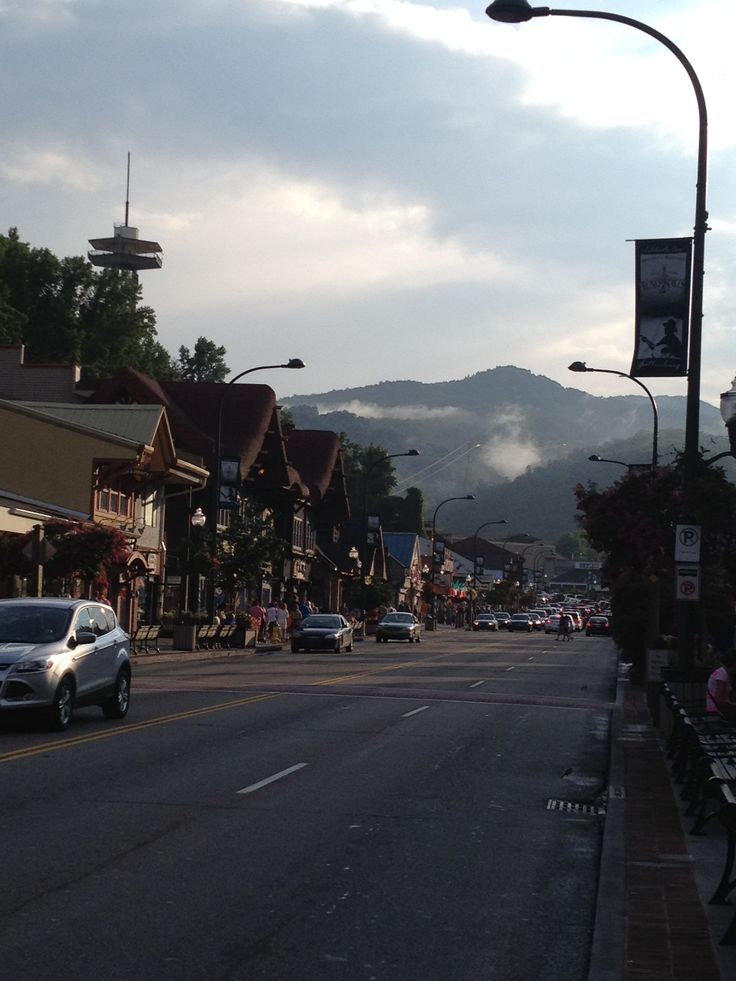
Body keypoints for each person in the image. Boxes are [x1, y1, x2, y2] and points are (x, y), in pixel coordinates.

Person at [706, 652, 736, 722]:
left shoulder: (723, 672)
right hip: (717, 714)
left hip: (718, 712)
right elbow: (720, 701)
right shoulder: (722, 676)